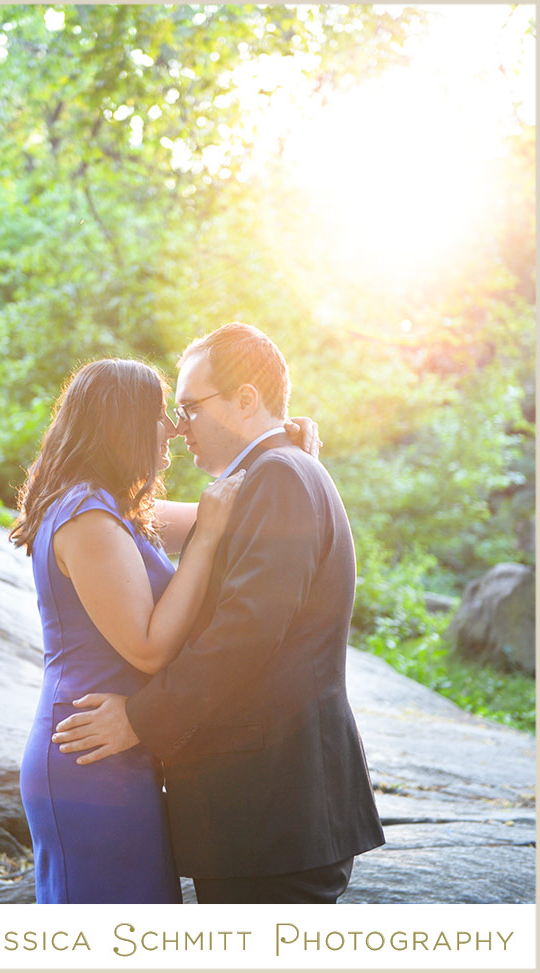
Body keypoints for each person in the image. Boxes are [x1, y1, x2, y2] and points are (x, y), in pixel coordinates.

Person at [52, 323, 385, 904]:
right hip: (263, 810)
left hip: (271, 808)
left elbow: (244, 635)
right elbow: (141, 520)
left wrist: (139, 718)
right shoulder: (271, 474)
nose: (180, 429)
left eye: (190, 408)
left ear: (246, 401)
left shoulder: (278, 477)